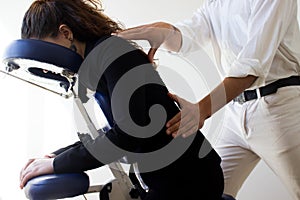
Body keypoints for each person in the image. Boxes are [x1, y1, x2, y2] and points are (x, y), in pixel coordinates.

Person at [19, 0, 225, 199]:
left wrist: (56, 165)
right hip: (162, 180)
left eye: (46, 51)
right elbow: (113, 131)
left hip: (190, 180)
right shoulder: (94, 64)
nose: (46, 64)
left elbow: (127, 134)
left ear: (66, 33)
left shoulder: (112, 52)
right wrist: (56, 156)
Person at [116, 0, 300, 199]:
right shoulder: (218, 2)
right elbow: (190, 35)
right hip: (235, 112)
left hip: (279, 109)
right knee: (204, 192)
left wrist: (201, 110)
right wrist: (163, 32)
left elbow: (250, 67)